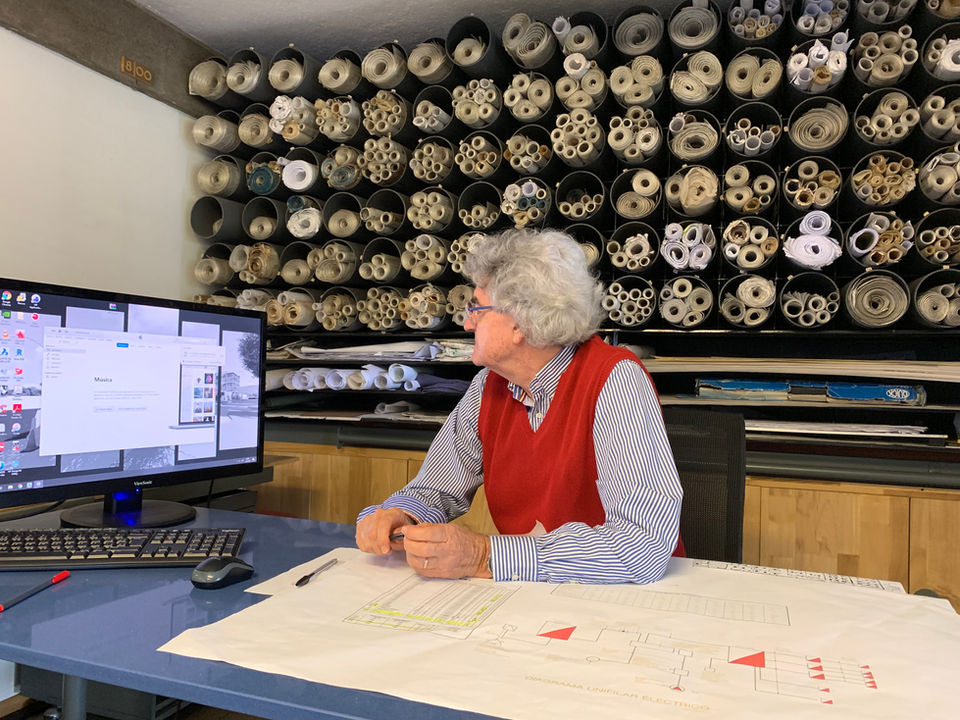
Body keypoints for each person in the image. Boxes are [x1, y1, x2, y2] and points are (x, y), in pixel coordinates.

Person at [355, 227, 683, 584]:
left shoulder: (614, 380)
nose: (466, 323)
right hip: (531, 595)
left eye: (476, 308)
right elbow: (436, 488)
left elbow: (642, 547)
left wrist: (485, 555)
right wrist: (402, 514)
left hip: (625, 601)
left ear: (519, 322)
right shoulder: (488, 387)